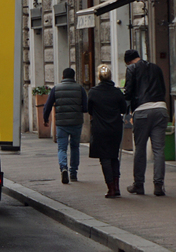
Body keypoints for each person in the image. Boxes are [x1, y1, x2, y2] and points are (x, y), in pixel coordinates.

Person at [124, 49, 169, 196]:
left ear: (128, 62)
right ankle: (158, 184)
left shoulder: (131, 68)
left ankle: (138, 184)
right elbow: (163, 88)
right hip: (161, 109)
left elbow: (129, 91)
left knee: (140, 148)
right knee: (158, 149)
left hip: (143, 110)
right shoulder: (156, 67)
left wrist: (127, 108)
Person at [43, 67, 87, 184]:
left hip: (62, 123)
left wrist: (45, 118)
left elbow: (47, 106)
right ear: (74, 77)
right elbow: (86, 107)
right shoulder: (80, 89)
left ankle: (63, 168)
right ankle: (73, 173)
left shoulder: (56, 89)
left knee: (62, 148)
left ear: (62, 77)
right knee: (75, 147)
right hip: (76, 123)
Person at [87, 64, 125, 198]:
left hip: (100, 128)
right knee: (114, 156)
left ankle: (110, 188)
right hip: (115, 128)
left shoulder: (93, 92)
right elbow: (124, 109)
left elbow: (89, 109)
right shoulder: (116, 92)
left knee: (105, 158)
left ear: (99, 77)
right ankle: (116, 185)